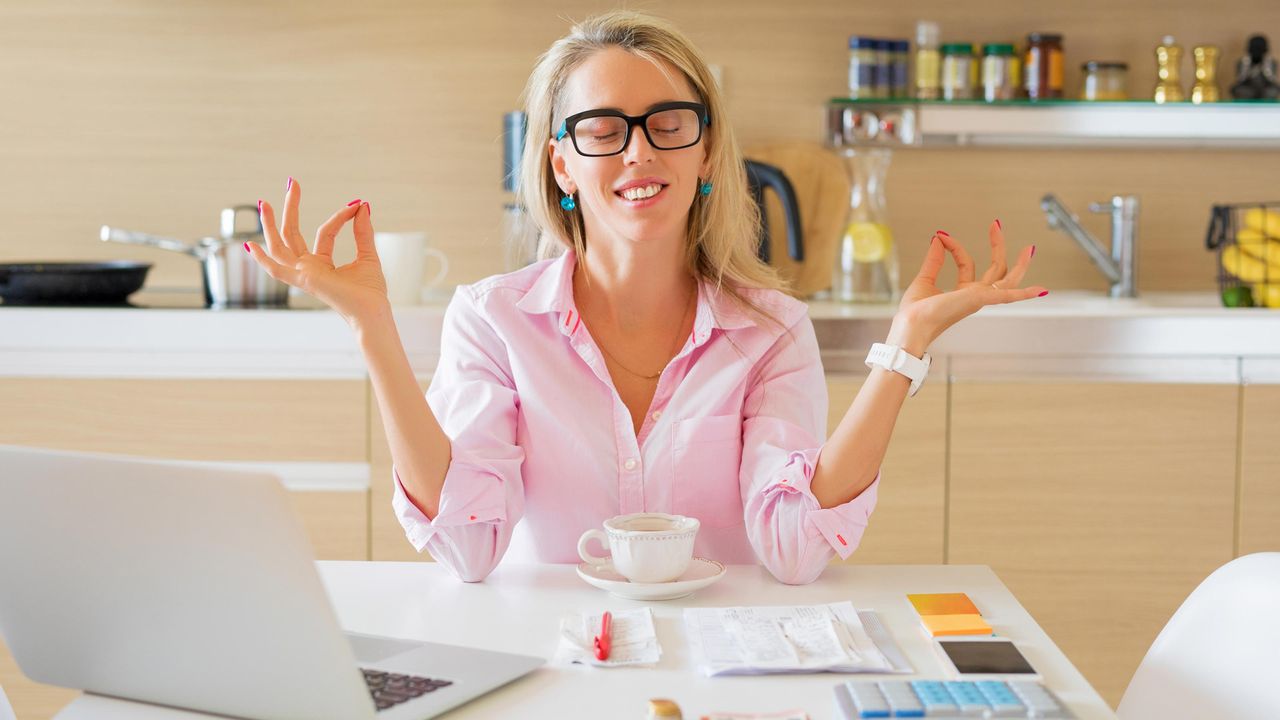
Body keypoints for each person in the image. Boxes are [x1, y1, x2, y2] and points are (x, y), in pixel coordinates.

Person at [247, 10, 1047, 585]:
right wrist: (373, 329)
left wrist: (901, 351)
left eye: (669, 122)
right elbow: (469, 548)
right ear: (562, 165)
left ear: (705, 154)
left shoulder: (771, 332)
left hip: (724, 672)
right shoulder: (493, 320)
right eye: (602, 128)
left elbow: (797, 548)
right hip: (556, 664)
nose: (637, 151)